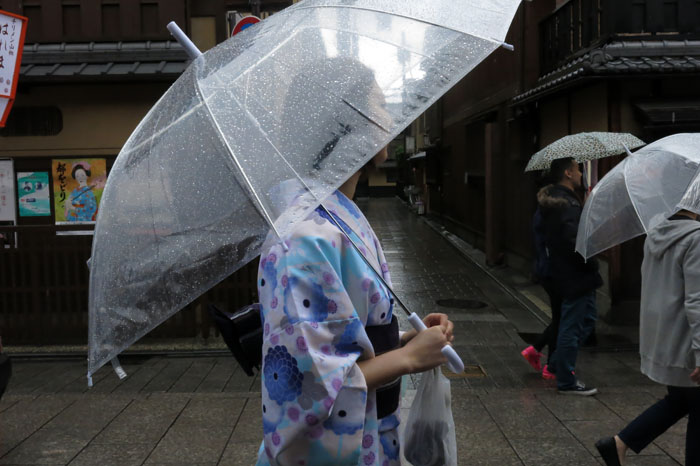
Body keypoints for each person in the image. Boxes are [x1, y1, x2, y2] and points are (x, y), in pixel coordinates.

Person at [255, 57, 455, 465]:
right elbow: (308, 382)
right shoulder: (303, 236)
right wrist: (408, 359)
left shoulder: (336, 215)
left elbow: (341, 335)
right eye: (378, 104)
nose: (389, 118)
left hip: (372, 437)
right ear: (344, 122)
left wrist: (404, 341)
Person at [595, 210, 700, 465]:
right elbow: (697, 301)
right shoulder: (695, 238)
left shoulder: (656, 232)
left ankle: (619, 443)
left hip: (667, 338)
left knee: (679, 401)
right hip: (687, 342)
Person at [538, 157, 602, 395]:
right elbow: (573, 241)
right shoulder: (565, 204)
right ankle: (565, 380)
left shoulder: (562, 201)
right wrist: (591, 261)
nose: (580, 174)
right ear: (567, 173)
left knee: (587, 320)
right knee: (572, 327)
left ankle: (557, 363)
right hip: (576, 275)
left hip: (570, 273)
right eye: (577, 170)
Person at [521, 205, 562, 380]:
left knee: (560, 317)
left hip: (547, 269)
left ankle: (537, 350)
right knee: (561, 318)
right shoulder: (555, 209)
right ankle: (551, 365)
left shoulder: (544, 208)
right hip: (555, 271)